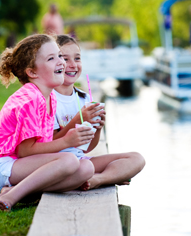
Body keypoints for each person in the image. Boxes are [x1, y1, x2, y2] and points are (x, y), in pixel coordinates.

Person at [0, 34, 96, 211]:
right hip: (5, 166)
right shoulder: (30, 98)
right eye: (52, 58)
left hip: (25, 167)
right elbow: (25, 151)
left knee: (86, 168)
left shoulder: (49, 97)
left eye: (59, 55)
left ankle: (14, 192)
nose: (61, 62)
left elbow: (42, 146)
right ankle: (11, 197)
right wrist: (67, 141)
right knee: (70, 161)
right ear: (32, 72)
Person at [53, 35, 146, 190]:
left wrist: (98, 128)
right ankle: (107, 177)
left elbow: (86, 148)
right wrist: (77, 119)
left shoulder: (84, 99)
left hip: (81, 160)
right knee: (82, 166)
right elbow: (49, 144)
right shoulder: (49, 99)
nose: (72, 65)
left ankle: (99, 179)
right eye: (65, 59)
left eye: (77, 58)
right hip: (58, 164)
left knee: (137, 159)